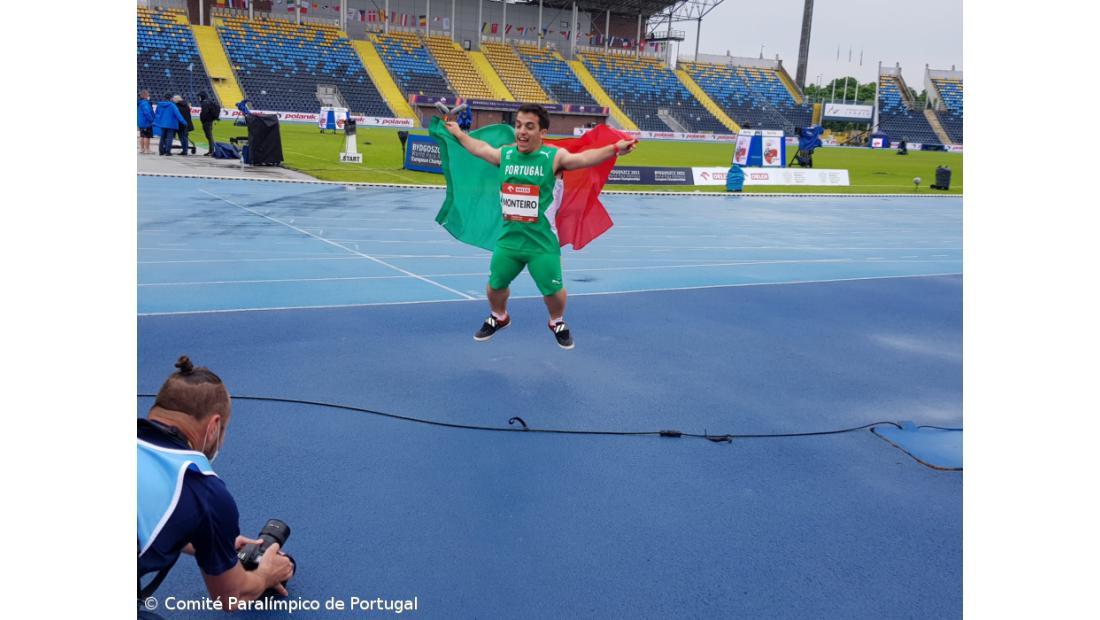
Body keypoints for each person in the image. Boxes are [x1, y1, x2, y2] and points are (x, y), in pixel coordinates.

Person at [443, 103, 637, 349]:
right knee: (494, 287)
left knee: (553, 293)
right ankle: (499, 316)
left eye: (529, 127)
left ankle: (556, 321)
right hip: (509, 241)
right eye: (518, 125)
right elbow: (481, 148)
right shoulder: (506, 155)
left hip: (542, 244)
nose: (521, 132)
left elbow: (584, 158)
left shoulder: (554, 157)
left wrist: (615, 149)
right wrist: (458, 133)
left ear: (542, 132)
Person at [138, 356, 294, 615]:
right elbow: (230, 597)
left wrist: (205, 538)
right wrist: (266, 574)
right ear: (213, 427)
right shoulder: (204, 491)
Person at [198, 92, 220, 156]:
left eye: (199, 96)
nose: (199, 98)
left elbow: (205, 113)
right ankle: (211, 150)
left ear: (202, 96)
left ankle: (211, 151)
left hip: (207, 122)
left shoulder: (204, 103)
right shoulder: (209, 102)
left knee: (209, 136)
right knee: (209, 136)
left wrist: (203, 119)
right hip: (209, 121)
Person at [138, 90, 155, 154]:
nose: (148, 95)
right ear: (145, 95)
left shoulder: (140, 103)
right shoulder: (145, 103)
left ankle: (142, 149)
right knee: (147, 136)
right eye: (147, 94)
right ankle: (147, 149)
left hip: (141, 121)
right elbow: (147, 113)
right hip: (146, 122)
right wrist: (151, 120)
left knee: (142, 136)